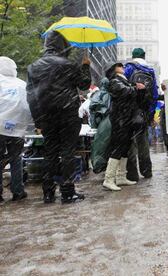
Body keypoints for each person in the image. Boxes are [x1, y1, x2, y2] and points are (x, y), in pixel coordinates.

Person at [27, 31, 91, 204]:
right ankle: (67, 192)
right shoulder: (68, 64)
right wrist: (85, 66)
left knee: (50, 153)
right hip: (68, 114)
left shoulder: (33, 67)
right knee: (67, 152)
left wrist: (38, 120)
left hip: (47, 116)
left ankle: (48, 193)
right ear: (62, 46)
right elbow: (84, 85)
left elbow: (31, 96)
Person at [102, 62, 146, 191]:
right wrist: (135, 88)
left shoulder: (124, 80)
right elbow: (123, 92)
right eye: (119, 65)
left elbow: (134, 97)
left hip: (127, 119)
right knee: (118, 147)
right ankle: (108, 179)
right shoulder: (114, 81)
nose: (123, 67)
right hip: (120, 119)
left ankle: (121, 176)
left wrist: (139, 89)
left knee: (125, 147)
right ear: (113, 69)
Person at [0, 57, 32, 202]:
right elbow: (29, 105)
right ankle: (18, 191)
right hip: (17, 128)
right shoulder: (21, 84)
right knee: (16, 158)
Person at [124, 48, 157, 180]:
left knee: (131, 143)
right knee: (143, 141)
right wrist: (151, 112)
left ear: (132, 56)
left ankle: (132, 174)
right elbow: (154, 94)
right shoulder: (150, 71)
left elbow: (123, 88)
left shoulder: (128, 68)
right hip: (143, 112)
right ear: (144, 56)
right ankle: (146, 171)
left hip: (129, 111)